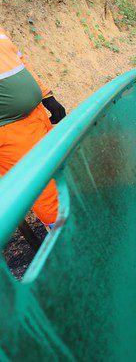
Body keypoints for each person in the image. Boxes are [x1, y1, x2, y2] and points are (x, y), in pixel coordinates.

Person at [0, 26, 66, 228]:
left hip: (37, 115)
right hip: (10, 130)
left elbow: (20, 64)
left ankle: (84, 229)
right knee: (44, 189)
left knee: (60, 169)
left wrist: (47, 96)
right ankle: (66, 244)